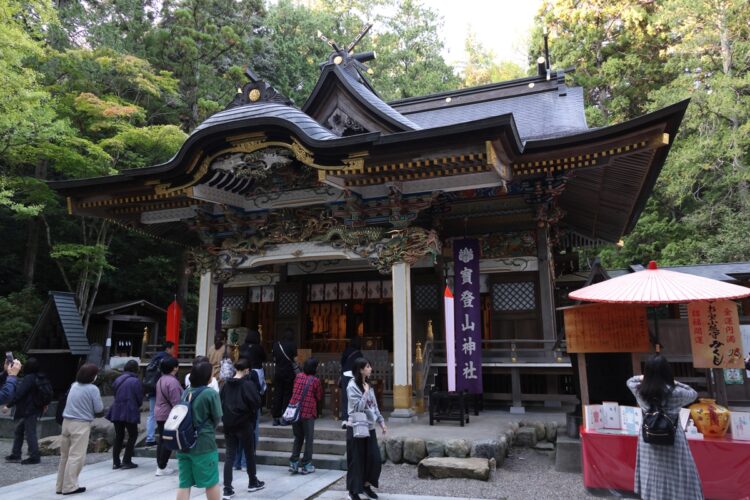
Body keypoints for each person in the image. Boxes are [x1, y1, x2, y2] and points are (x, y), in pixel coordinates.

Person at [626, 354, 702, 500]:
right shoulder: (676, 393)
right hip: (672, 437)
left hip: (649, 436)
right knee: (675, 473)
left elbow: (630, 380)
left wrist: (645, 378)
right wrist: (673, 382)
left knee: (652, 471)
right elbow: (693, 393)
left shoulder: (640, 390)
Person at [176, 361, 222, 500]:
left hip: (183, 443)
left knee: (184, 483)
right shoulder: (210, 393)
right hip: (204, 443)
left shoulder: (185, 392)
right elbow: (217, 417)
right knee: (211, 482)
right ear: (207, 377)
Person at [56, 363, 104, 496]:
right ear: (93, 376)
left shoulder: (74, 385)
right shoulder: (93, 389)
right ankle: (70, 486)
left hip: (66, 422)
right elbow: (99, 409)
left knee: (64, 456)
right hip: (81, 424)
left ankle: (60, 486)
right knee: (76, 456)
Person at [220, 357, 264, 499]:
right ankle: (252, 481)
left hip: (229, 423)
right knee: (249, 452)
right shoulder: (247, 384)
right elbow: (256, 402)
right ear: (247, 370)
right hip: (244, 423)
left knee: (229, 455)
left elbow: (221, 402)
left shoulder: (226, 385)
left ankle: (227, 488)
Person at [346, 357, 386, 500]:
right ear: (361, 370)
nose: (370, 369)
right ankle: (353, 490)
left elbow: (374, 406)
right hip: (356, 427)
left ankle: (366, 485)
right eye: (368, 366)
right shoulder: (351, 386)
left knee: (374, 459)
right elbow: (357, 408)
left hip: (370, 428)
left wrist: (381, 422)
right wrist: (365, 393)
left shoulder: (368, 385)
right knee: (356, 460)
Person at [235, 330, 266, 471]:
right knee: (252, 435)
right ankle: (246, 462)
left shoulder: (241, 347)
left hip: (237, 411)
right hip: (250, 409)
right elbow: (258, 391)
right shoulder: (253, 375)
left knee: (237, 438)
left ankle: (237, 462)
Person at [5, 357, 44, 464]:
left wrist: (8, 406)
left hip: (29, 410)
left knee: (30, 432)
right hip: (36, 408)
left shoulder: (28, 378)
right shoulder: (41, 377)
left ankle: (34, 456)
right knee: (19, 430)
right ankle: (16, 454)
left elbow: (19, 394)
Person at [288, 357, 323, 475]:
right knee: (309, 439)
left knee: (298, 437)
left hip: (295, 412)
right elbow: (318, 397)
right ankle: (307, 464)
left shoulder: (298, 377)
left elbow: (294, 391)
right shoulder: (315, 381)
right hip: (308, 412)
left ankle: (294, 462)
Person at [106, 360, 143, 469]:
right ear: (135, 369)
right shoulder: (135, 381)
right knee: (133, 435)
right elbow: (139, 398)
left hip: (117, 409)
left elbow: (114, 393)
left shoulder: (118, 379)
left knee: (119, 436)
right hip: (130, 410)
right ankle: (126, 460)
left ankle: (116, 462)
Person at [154, 356, 181, 476]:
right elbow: (176, 401)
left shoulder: (161, 379)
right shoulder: (173, 381)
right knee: (168, 441)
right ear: (174, 368)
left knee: (162, 440)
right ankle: (162, 466)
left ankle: (160, 465)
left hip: (159, 412)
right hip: (168, 413)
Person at [145, 341, 175, 446]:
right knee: (165, 412)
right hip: (161, 389)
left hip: (151, 388)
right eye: (172, 348)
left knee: (152, 414)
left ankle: (150, 438)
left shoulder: (155, 358)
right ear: (168, 348)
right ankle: (165, 436)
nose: (173, 351)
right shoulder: (166, 359)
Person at [272, 329, 297, 426]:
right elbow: (295, 360)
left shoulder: (276, 345)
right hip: (288, 372)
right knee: (287, 394)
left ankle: (275, 417)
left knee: (278, 394)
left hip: (278, 372)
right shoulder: (293, 345)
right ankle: (285, 417)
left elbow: (274, 359)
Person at [339, 336, 363, 427]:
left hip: (345, 375)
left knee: (345, 397)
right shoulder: (359, 354)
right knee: (355, 397)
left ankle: (344, 419)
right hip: (355, 376)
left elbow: (342, 362)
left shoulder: (347, 350)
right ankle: (353, 419)